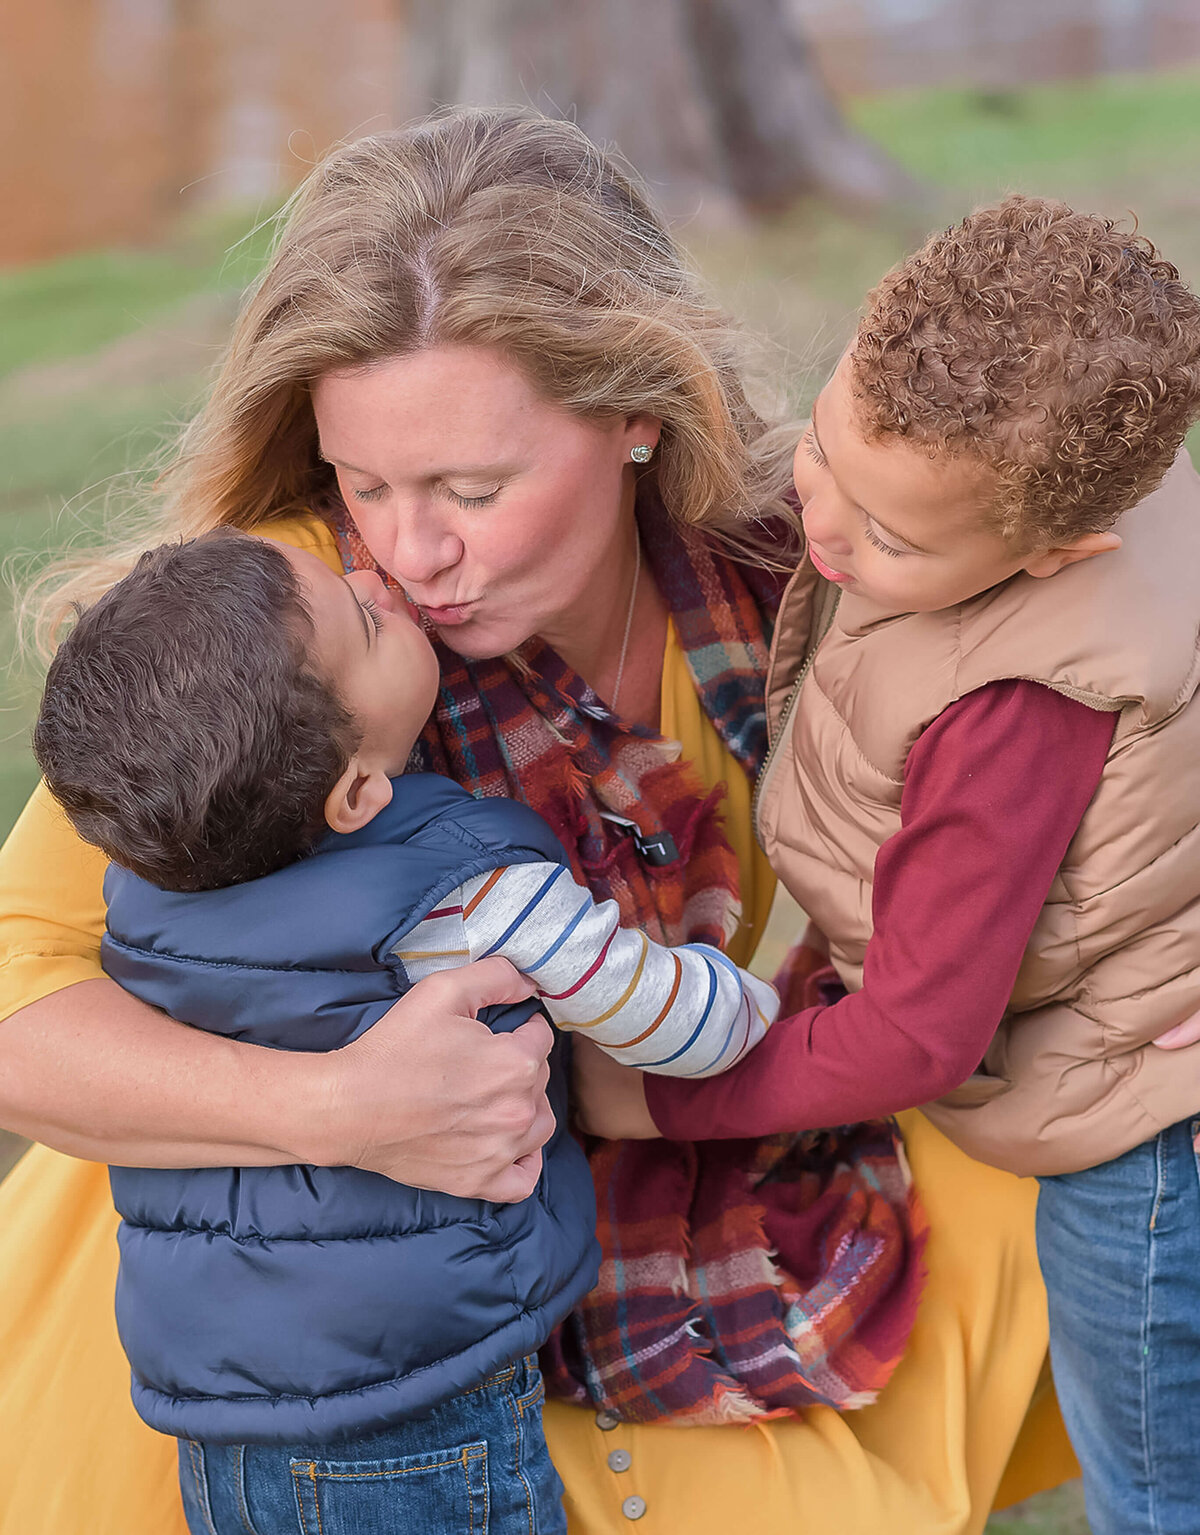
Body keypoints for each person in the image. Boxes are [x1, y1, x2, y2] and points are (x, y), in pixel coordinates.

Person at [0, 111, 1081, 1535]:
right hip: (269, 1354)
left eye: (473, 487)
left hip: (632, 1195)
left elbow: (1090, 674)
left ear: (639, 412)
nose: (409, 548)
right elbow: (18, 1009)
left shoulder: (787, 574)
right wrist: (341, 1106)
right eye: (362, 480)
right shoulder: (283, 635)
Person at [578, 196, 1200, 1535]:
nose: (835, 537)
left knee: (1159, 1481)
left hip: (1149, 1140)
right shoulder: (1106, 486)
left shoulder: (1015, 704)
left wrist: (655, 1100)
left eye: (896, 538)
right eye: (827, 460)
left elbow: (921, 1030)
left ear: (1056, 553)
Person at [30, 526, 780, 1534]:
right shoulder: (468, 890)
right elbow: (675, 1023)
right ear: (355, 791)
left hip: (218, 1416)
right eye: (368, 620)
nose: (378, 579)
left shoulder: (142, 892)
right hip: (418, 1406)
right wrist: (763, 1000)